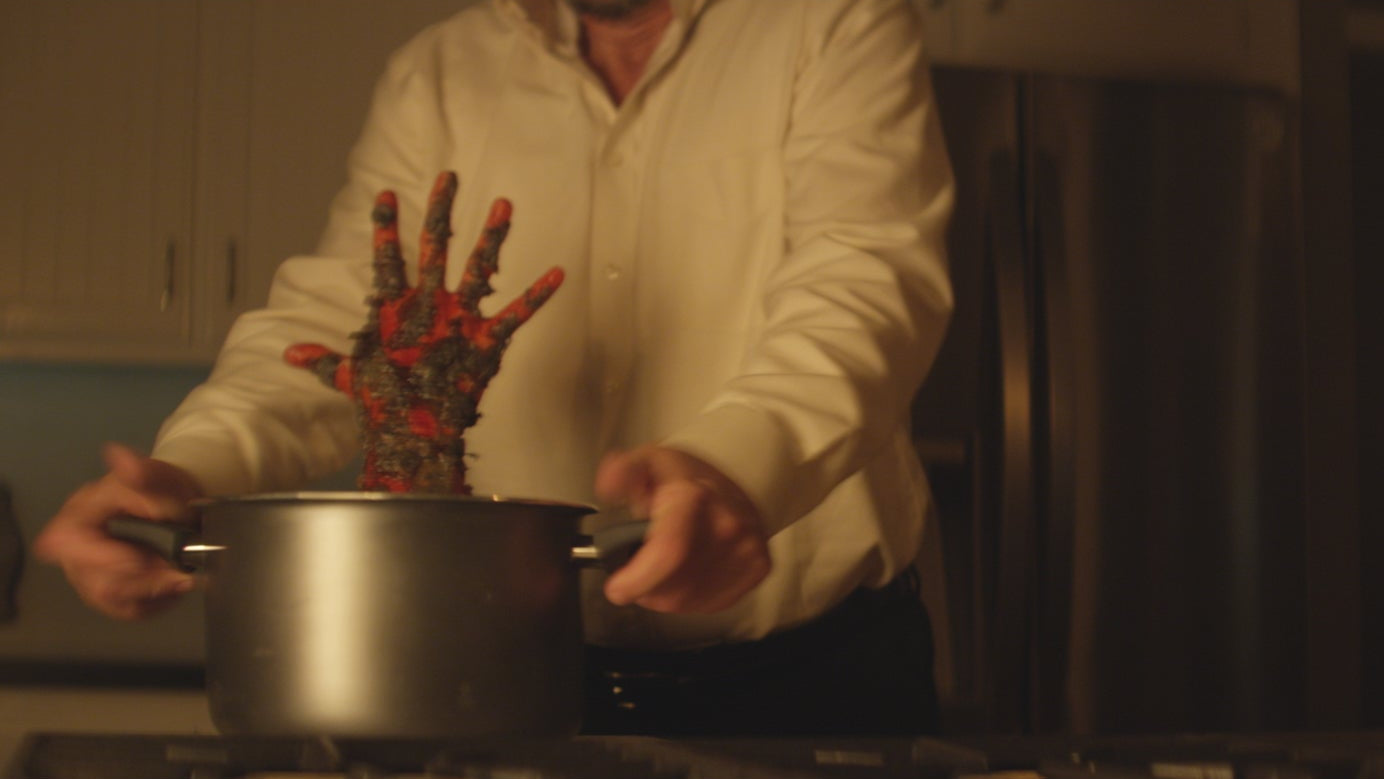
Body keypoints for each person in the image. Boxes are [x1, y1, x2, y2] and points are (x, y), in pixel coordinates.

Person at [34, 0, 954, 736]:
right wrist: (186, 471)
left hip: (809, 678)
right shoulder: (441, 73)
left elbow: (863, 282)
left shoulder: (836, 23)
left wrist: (739, 468)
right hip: (507, 676)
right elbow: (352, 328)